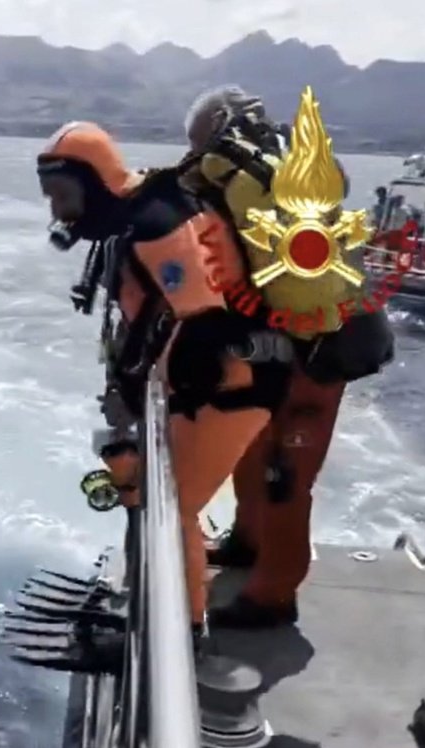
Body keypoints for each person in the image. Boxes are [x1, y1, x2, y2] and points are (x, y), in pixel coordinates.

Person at [38, 119, 290, 638]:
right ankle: (157, 602)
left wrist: (148, 396)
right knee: (156, 499)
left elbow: (204, 328)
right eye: (51, 196)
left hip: (232, 390)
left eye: (63, 194)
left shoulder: (157, 225)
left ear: (96, 181)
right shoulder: (137, 217)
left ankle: (181, 632)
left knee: (172, 512)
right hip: (211, 387)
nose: (57, 210)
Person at [190, 90, 395, 629]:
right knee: (256, 446)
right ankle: (247, 543)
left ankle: (274, 596)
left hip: (328, 344)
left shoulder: (227, 180)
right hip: (306, 332)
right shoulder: (291, 162)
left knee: (286, 470)